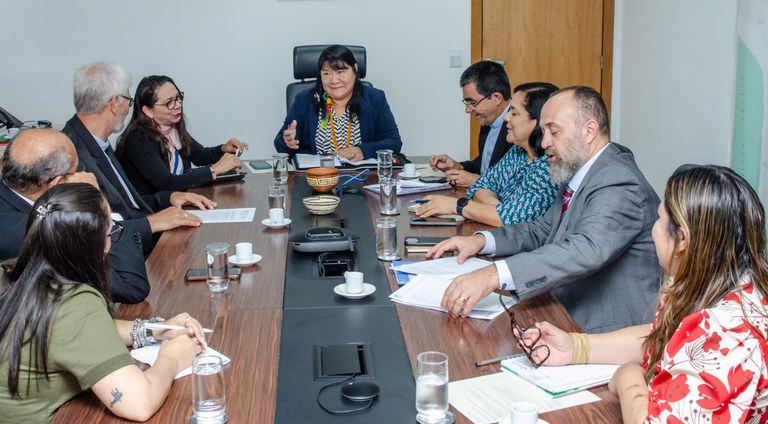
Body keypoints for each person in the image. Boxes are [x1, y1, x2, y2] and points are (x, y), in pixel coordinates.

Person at [519, 165, 768, 423]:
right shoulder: (717, 282)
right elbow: (662, 337)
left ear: (682, 239)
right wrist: (575, 347)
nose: (654, 228)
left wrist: (630, 380)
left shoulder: (727, 331)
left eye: (660, 220)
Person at [428, 86, 662, 333]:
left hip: (603, 326)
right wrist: (482, 241)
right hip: (562, 303)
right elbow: (543, 228)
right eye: (543, 131)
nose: (545, 142)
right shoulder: (579, 168)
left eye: (554, 131)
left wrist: (493, 275)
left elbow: (585, 249)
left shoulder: (618, 179)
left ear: (589, 130)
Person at [0, 183, 207, 422]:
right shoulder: (74, 304)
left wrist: (157, 330)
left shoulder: (10, 273)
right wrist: (171, 358)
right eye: (111, 233)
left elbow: (86, 331)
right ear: (95, 245)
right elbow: (140, 403)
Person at [62, 61, 217, 253]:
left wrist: (169, 197)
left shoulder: (94, 142)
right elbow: (94, 231)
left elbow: (127, 203)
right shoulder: (73, 156)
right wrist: (151, 223)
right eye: (128, 100)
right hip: (127, 255)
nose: (129, 108)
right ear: (114, 104)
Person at [0, 129, 149, 303]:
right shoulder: (36, 231)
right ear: (57, 183)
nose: (84, 174)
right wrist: (95, 200)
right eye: (78, 170)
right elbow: (131, 287)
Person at [416, 82, 558, 227]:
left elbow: (512, 221)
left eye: (514, 113)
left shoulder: (550, 166)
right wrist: (497, 210)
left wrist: (458, 206)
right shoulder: (518, 152)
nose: (505, 118)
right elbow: (481, 185)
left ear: (539, 121)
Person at [116, 75, 248, 195]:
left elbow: (200, 156)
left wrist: (223, 149)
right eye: (169, 103)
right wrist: (214, 170)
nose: (178, 105)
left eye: (178, 98)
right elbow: (167, 183)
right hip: (154, 213)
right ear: (148, 111)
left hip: (178, 202)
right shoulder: (138, 138)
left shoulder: (171, 129)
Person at [274, 44, 402, 161]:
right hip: (317, 178)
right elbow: (280, 144)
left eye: (341, 72)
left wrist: (363, 150)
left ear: (355, 69)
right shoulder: (305, 100)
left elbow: (394, 142)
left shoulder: (374, 98)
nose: (334, 80)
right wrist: (287, 142)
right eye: (327, 73)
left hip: (363, 178)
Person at [428, 61, 513, 188]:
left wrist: (477, 180)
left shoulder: (517, 128)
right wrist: (458, 166)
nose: (468, 110)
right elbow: (484, 166)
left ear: (497, 98)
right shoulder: (488, 120)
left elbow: (516, 184)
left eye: (472, 102)